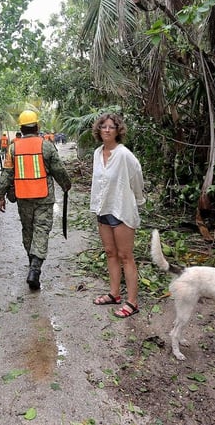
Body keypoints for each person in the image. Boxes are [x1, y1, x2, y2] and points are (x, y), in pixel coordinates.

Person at [0, 110, 72, 290]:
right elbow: (59, 170)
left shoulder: (13, 148)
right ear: (37, 126)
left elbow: (7, 174)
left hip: (23, 198)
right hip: (44, 197)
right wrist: (66, 185)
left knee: (28, 231)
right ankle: (35, 269)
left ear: (21, 128)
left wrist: (1, 194)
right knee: (42, 230)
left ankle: (32, 263)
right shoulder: (46, 146)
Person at [88, 113, 145, 318]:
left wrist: (138, 199)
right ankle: (114, 294)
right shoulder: (97, 153)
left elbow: (136, 176)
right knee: (110, 253)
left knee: (125, 256)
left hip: (121, 210)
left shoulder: (124, 155)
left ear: (117, 130)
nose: (107, 130)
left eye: (111, 127)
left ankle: (133, 302)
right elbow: (98, 183)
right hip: (104, 210)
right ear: (99, 130)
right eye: (103, 126)